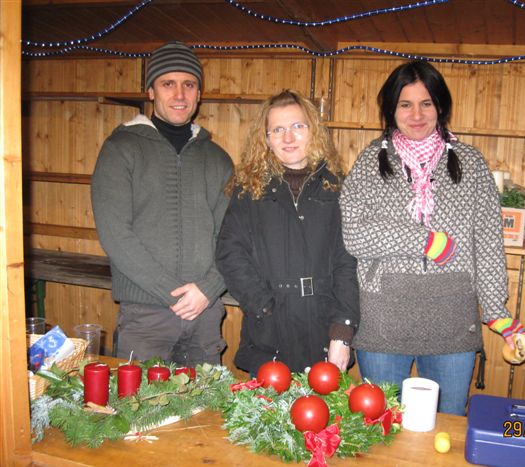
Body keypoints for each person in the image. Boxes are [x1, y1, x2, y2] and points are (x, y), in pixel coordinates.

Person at [339, 60, 525, 415]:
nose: (416, 115)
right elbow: (354, 234)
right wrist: (424, 241)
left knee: (447, 426)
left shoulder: (471, 164)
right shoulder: (369, 163)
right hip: (383, 319)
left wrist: (496, 312)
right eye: (405, 104)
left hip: (452, 320)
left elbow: (488, 244)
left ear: (440, 106)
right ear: (391, 109)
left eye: (426, 103)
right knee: (380, 425)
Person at [92, 41, 233, 366]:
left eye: (189, 84)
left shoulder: (219, 160)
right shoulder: (120, 149)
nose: (180, 94)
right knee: (139, 400)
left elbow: (232, 237)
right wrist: (173, 293)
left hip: (205, 312)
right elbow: (115, 234)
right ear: (151, 91)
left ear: (199, 94)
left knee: (205, 400)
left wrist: (209, 289)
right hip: (145, 317)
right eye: (168, 83)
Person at [215, 89, 359, 375]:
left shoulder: (337, 189)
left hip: (323, 331)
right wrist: (262, 305)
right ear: (266, 139)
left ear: (313, 131)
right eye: (278, 130)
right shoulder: (249, 190)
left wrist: (342, 331)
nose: (288, 138)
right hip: (268, 332)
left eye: (297, 126)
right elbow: (230, 253)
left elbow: (348, 263)